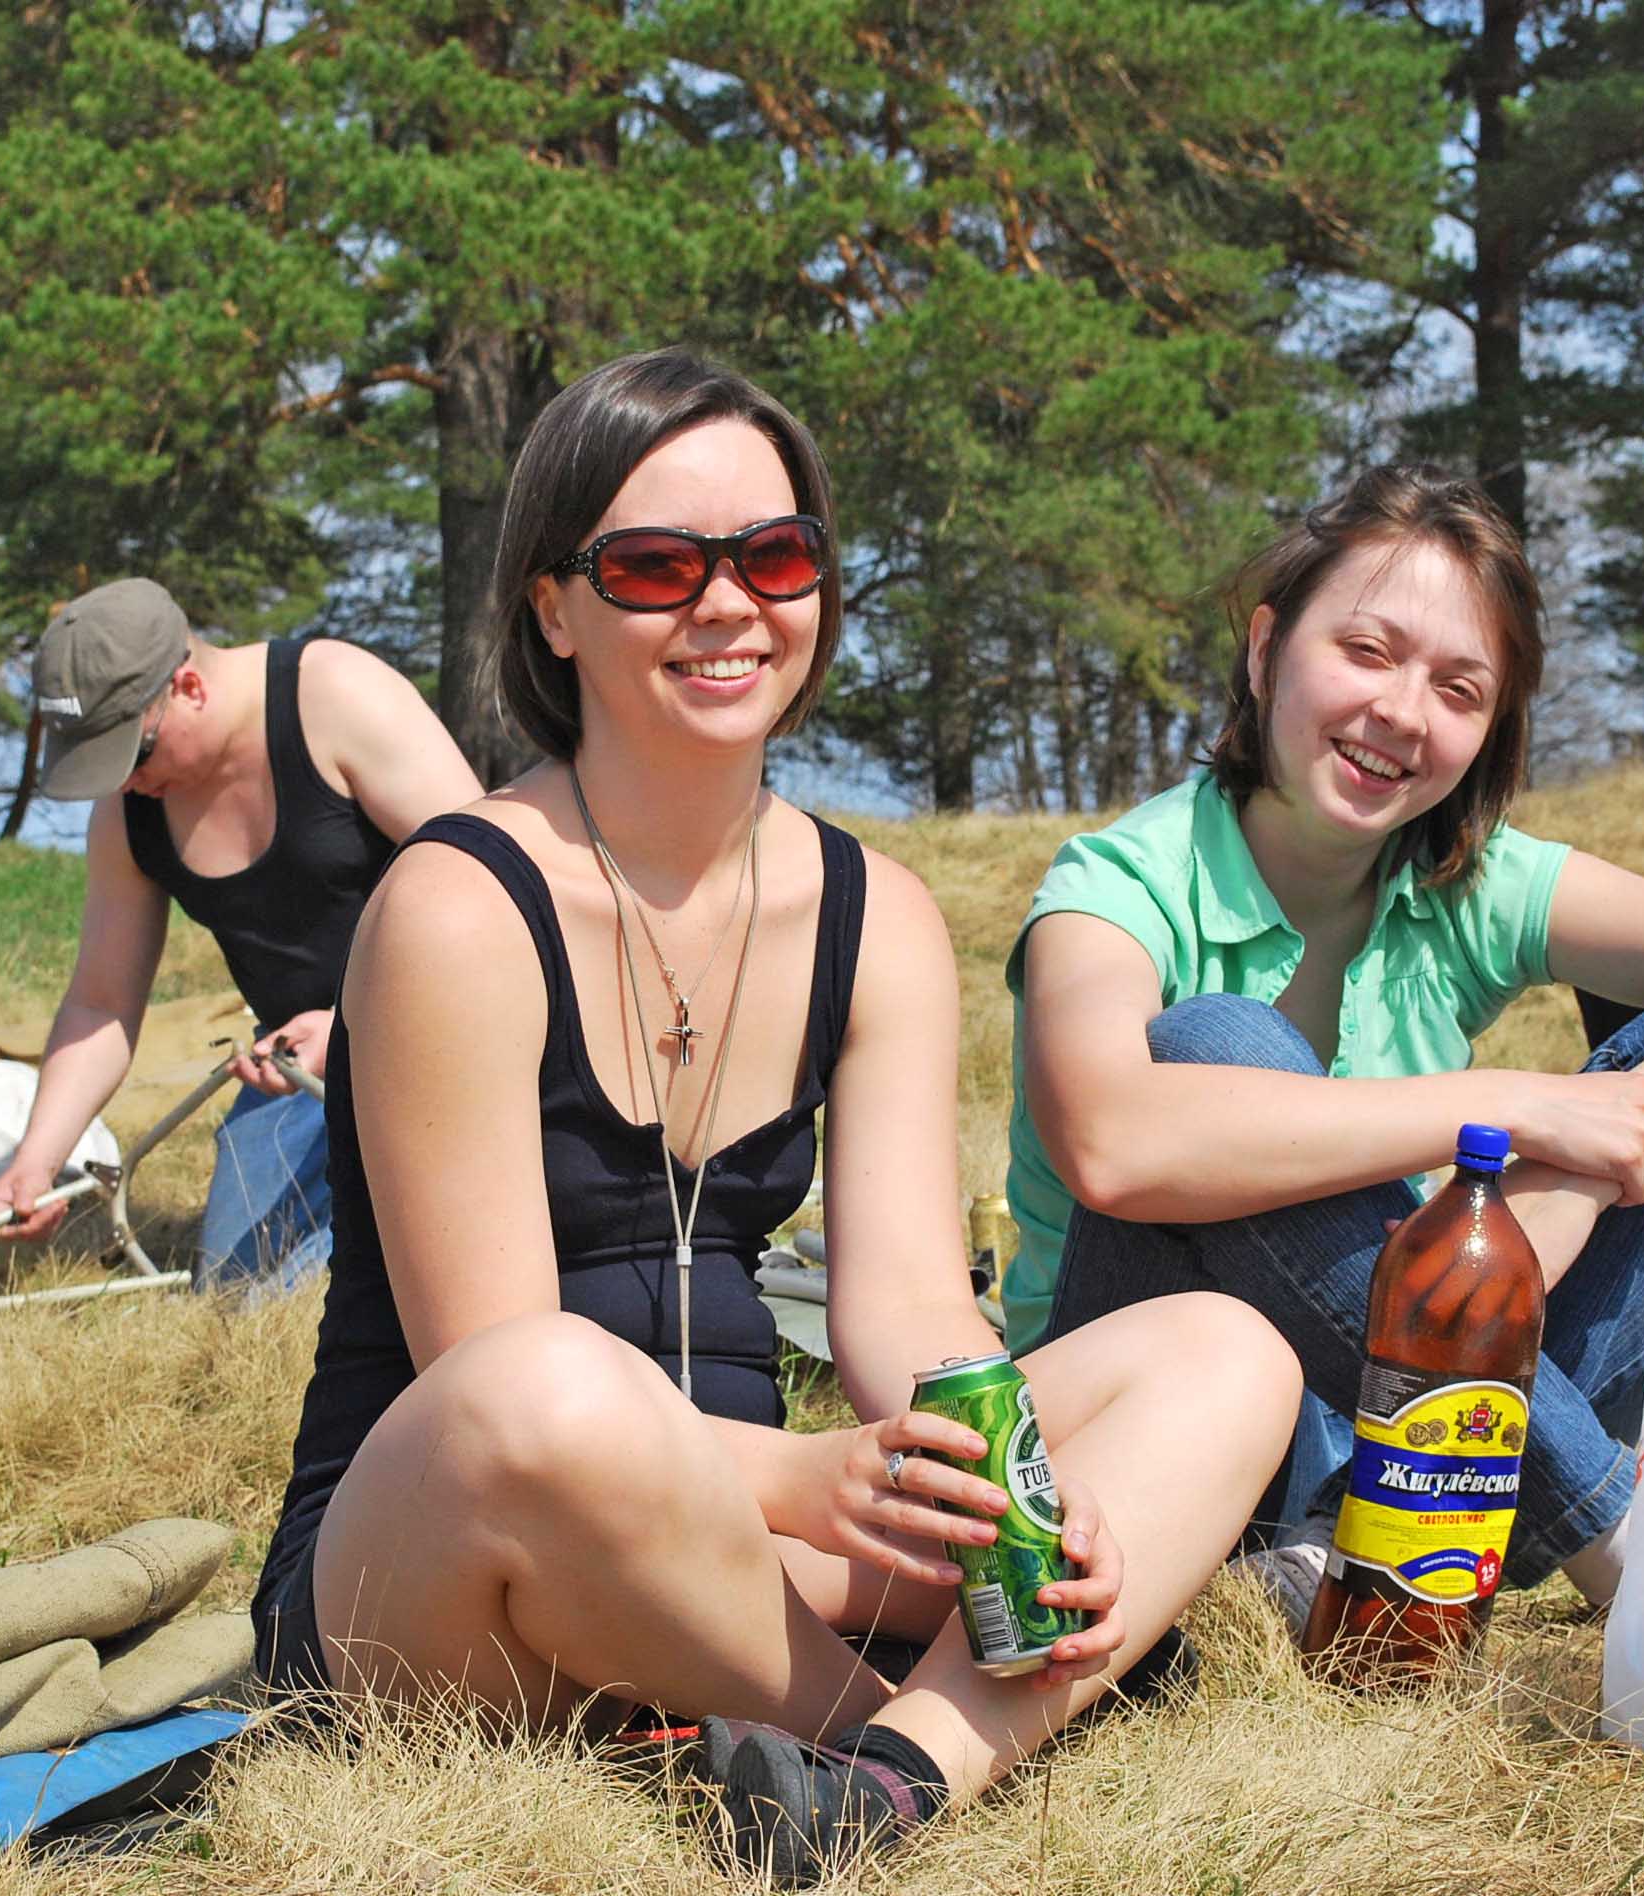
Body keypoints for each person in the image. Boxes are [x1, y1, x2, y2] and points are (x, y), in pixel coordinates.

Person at [247, 350, 1302, 1887]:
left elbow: (911, 1312)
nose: (729, 605)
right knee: (543, 1388)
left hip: (750, 1550)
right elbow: (489, 1364)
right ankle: (932, 1729)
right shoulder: (455, 906)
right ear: (554, 609)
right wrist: (810, 1482)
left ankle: (887, 1783)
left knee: (1224, 1350)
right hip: (438, 1576)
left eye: (776, 555)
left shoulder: (877, 917)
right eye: (655, 567)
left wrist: (1004, 1494)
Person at [1005, 465, 1644, 1621]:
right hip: (1167, 1416)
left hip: (1412, 1407)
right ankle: (1623, 1548)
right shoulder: (1118, 886)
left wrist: (1567, 1182)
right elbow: (1111, 1143)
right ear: (1265, 650)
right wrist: (1508, 1110)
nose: (1402, 713)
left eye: (1457, 689)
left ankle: (1367, 1529)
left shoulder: (1462, 877)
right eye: (1365, 652)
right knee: (1216, 1044)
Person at [0, 580, 481, 1288]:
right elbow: (100, 1002)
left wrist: (360, 1023)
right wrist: (37, 1157)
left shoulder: (335, 698)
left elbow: (503, 894)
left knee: (378, 1269)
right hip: (301, 1072)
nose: (124, 783)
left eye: (133, 754)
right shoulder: (130, 811)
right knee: (239, 1289)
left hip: (456, 1030)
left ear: (187, 687)